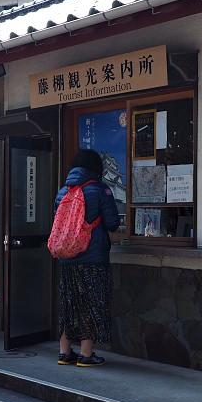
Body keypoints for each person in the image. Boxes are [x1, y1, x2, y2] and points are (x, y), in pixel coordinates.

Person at [53, 149, 120, 367]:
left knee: (68, 303)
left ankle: (64, 352)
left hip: (66, 257)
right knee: (90, 304)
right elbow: (112, 223)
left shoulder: (63, 192)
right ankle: (86, 354)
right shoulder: (100, 189)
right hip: (92, 258)